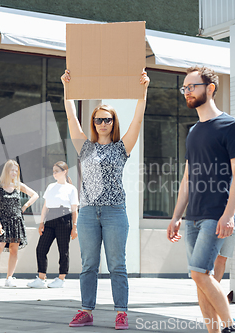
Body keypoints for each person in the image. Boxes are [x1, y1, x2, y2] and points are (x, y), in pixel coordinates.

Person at [61, 68, 150, 330]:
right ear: (94, 122)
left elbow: (137, 120)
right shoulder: (84, 146)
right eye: (98, 119)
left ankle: (120, 312)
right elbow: (70, 116)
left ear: (113, 122)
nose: (102, 123)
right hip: (88, 213)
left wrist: (143, 90)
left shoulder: (121, 147)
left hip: (114, 213)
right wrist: (67, 89)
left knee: (117, 265)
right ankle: (86, 311)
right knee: (89, 264)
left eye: (107, 119)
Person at [166, 66, 235, 333]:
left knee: (199, 272)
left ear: (210, 88)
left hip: (217, 213)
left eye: (192, 87)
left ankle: (231, 326)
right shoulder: (193, 131)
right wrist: (177, 215)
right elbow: (187, 178)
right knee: (201, 279)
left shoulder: (231, 126)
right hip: (194, 217)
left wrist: (229, 215)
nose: (187, 92)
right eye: (185, 88)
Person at [0, 160, 38, 288]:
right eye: (12, 170)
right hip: (2, 221)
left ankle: (10, 278)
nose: (14, 173)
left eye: (16, 171)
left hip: (16, 221)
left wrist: (25, 206)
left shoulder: (18, 185)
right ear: (6, 171)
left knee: (14, 250)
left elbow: (35, 195)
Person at [27, 161, 79, 289]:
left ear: (64, 171)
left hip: (64, 218)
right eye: (53, 171)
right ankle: (41, 278)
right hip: (50, 219)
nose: (54, 173)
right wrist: (41, 222)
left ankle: (61, 278)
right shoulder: (50, 187)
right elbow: (45, 206)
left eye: (57, 171)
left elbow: (74, 210)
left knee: (63, 250)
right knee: (41, 248)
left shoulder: (71, 189)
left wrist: (75, 227)